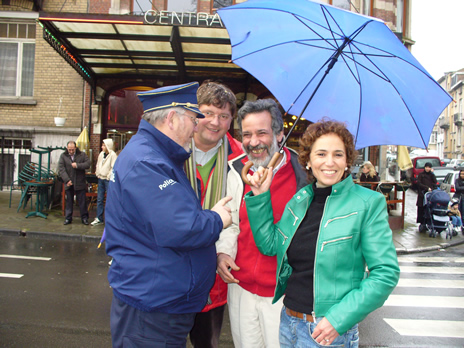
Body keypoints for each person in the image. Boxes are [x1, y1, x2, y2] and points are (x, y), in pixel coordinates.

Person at [244, 119, 400, 347]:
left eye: (338, 154)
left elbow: (385, 273)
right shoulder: (299, 200)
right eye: (321, 154)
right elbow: (270, 245)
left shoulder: (368, 202)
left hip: (328, 332)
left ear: (347, 161)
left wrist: (339, 320)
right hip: (289, 322)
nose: (330, 162)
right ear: (308, 161)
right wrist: (260, 195)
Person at [105, 82, 232, 348]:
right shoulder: (148, 162)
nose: (197, 126)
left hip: (159, 300)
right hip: (153, 307)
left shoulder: (155, 155)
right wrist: (218, 218)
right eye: (192, 118)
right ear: (172, 118)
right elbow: (181, 228)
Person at [216, 99, 307, 348]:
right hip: (241, 288)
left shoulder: (303, 174)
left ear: (279, 134)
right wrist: (223, 252)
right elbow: (231, 222)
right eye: (247, 134)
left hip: (283, 295)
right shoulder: (235, 170)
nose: (253, 142)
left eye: (261, 133)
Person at [185, 81, 243, 348]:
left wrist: (224, 251)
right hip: (171, 273)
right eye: (207, 112)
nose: (214, 122)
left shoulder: (241, 160)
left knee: (206, 343)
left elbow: (240, 218)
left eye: (223, 115)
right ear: (195, 114)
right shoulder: (170, 152)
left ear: (231, 120)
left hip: (213, 279)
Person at [58, 140, 91, 225]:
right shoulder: (63, 156)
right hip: (69, 182)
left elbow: (88, 164)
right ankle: (68, 218)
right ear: (67, 148)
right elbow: (61, 169)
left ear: (75, 148)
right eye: (69, 149)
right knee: (69, 201)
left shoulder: (82, 155)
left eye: (72, 149)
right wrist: (67, 180)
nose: (71, 151)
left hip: (80, 182)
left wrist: (78, 165)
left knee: (82, 202)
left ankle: (84, 218)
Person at [91, 138, 117, 226]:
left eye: (103, 145)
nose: (102, 147)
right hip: (100, 178)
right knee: (99, 199)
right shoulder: (101, 154)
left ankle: (110, 219)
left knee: (110, 200)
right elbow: (98, 164)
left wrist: (108, 176)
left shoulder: (113, 155)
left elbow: (114, 167)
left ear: (108, 146)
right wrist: (97, 173)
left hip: (107, 180)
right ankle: (99, 217)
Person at [416, 162, 438, 231]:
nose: (427, 169)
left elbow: (435, 182)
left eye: (429, 167)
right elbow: (419, 183)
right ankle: (422, 223)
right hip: (422, 194)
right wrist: (426, 188)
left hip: (429, 195)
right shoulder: (421, 174)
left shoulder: (431, 175)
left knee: (428, 208)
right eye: (426, 167)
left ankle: (428, 222)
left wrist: (432, 173)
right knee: (421, 208)